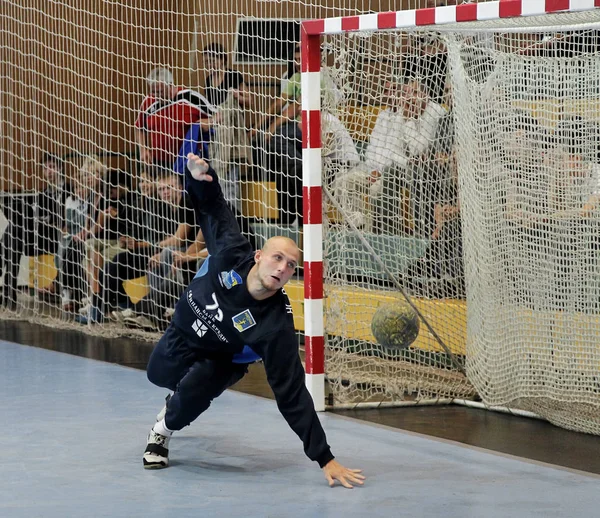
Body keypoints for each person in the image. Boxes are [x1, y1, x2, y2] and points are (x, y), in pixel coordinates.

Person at [143, 152, 365, 489]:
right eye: (277, 258)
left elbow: (291, 393)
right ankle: (178, 396)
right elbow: (213, 209)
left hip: (224, 357)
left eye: (291, 266)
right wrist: (201, 179)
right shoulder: (232, 251)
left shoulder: (275, 325)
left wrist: (325, 457)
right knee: (157, 375)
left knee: (191, 396)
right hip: (183, 332)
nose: (282, 269)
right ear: (259, 256)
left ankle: (162, 432)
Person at [135, 68, 215, 169]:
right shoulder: (148, 102)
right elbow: (139, 127)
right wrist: (143, 149)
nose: (157, 96)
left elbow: (219, 116)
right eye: (153, 92)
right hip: (159, 163)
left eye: (160, 92)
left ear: (171, 85)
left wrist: (208, 122)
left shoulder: (191, 97)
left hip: (190, 162)